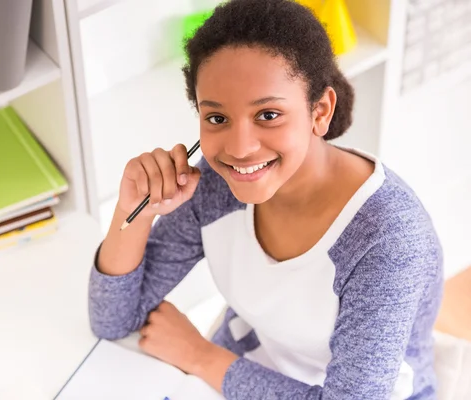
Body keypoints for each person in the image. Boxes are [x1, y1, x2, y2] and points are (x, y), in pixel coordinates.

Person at [87, 0, 444, 398]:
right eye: (217, 118)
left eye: (268, 115)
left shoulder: (389, 240)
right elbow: (113, 318)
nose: (239, 149)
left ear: (320, 111)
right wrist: (133, 209)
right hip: (249, 362)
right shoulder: (214, 185)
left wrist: (201, 356)